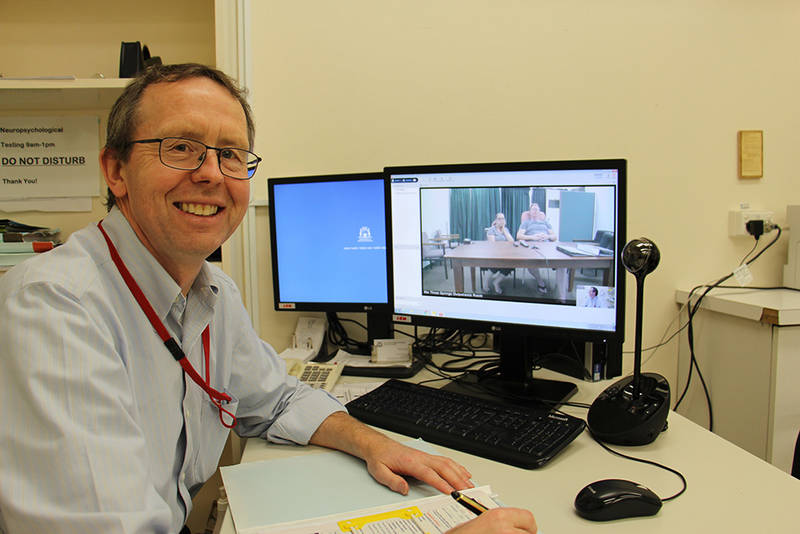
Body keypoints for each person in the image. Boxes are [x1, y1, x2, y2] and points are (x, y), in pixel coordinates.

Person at [0, 64, 537, 534]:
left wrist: (376, 444)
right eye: (181, 147)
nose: (211, 173)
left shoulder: (212, 292)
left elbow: (276, 399)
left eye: (231, 155)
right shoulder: (52, 308)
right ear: (115, 170)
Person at [516, 203, 556, 294]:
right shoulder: (526, 223)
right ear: (530, 212)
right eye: (533, 209)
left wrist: (547, 236)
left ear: (539, 212)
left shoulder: (546, 223)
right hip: (532, 247)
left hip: (546, 246)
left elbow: (554, 237)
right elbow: (519, 236)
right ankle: (540, 281)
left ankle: (562, 295)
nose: (535, 211)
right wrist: (533, 237)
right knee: (530, 263)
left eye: (537, 209)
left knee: (562, 264)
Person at [485, 212, 514, 294]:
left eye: (503, 218)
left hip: (506, 254)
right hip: (494, 254)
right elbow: (493, 244)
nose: (501, 220)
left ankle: (496, 282)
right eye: (499, 218)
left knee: (511, 265)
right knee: (494, 266)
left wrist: (504, 230)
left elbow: (511, 242)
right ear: (495, 220)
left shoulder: (506, 229)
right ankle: (485, 283)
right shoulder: (491, 230)